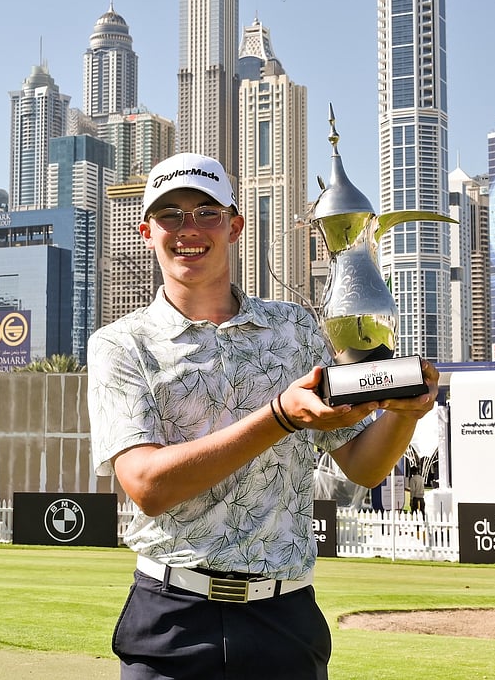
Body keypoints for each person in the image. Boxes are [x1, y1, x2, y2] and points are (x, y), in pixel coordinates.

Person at [88, 152, 438, 680]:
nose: (188, 229)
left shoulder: (294, 327)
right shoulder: (121, 343)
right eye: (170, 215)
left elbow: (362, 467)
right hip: (173, 616)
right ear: (146, 231)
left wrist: (406, 413)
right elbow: (147, 485)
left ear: (235, 226)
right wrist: (280, 416)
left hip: (284, 617)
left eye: (206, 212)